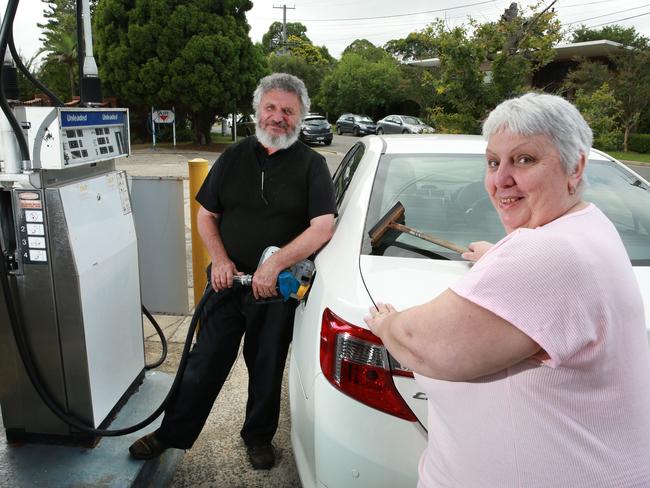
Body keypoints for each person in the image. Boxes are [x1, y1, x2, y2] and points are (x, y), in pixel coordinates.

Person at [365, 93, 650, 487]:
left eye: (525, 159)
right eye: (493, 162)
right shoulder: (589, 227)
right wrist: (500, 257)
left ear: (575, 166)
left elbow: (421, 343)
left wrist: (387, 323)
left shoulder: (545, 254)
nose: (501, 180)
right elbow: (553, 282)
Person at [129, 73, 336, 469]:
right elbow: (207, 215)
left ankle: (257, 437)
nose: (278, 117)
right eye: (271, 108)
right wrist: (221, 260)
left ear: (300, 117)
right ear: (257, 110)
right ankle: (170, 433)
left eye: (288, 111)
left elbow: (323, 226)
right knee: (202, 362)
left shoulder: (313, 166)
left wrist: (274, 265)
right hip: (226, 284)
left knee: (266, 366)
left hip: (276, 290)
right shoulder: (233, 157)